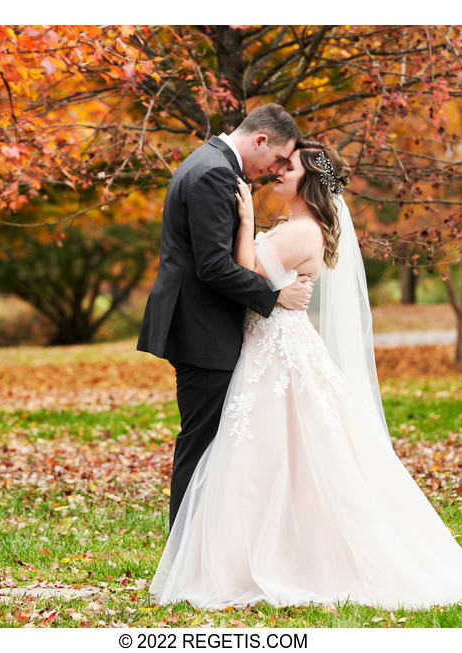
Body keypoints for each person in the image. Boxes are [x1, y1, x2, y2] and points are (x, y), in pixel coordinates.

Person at [147, 141, 462, 611]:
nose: (277, 172)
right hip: (269, 349)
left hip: (277, 354)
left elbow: (242, 267)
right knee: (270, 460)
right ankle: (243, 555)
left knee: (276, 457)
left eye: (287, 168)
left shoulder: (301, 232)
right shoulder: (295, 226)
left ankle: (263, 560)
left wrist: (247, 221)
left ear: (308, 182)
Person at [137, 104, 314, 532]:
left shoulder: (208, 163)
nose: (274, 171)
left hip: (202, 325)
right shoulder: (214, 172)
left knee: (211, 443)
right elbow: (213, 267)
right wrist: (276, 297)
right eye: (276, 159)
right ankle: (183, 557)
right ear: (259, 141)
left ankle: (201, 552)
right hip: (202, 330)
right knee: (201, 444)